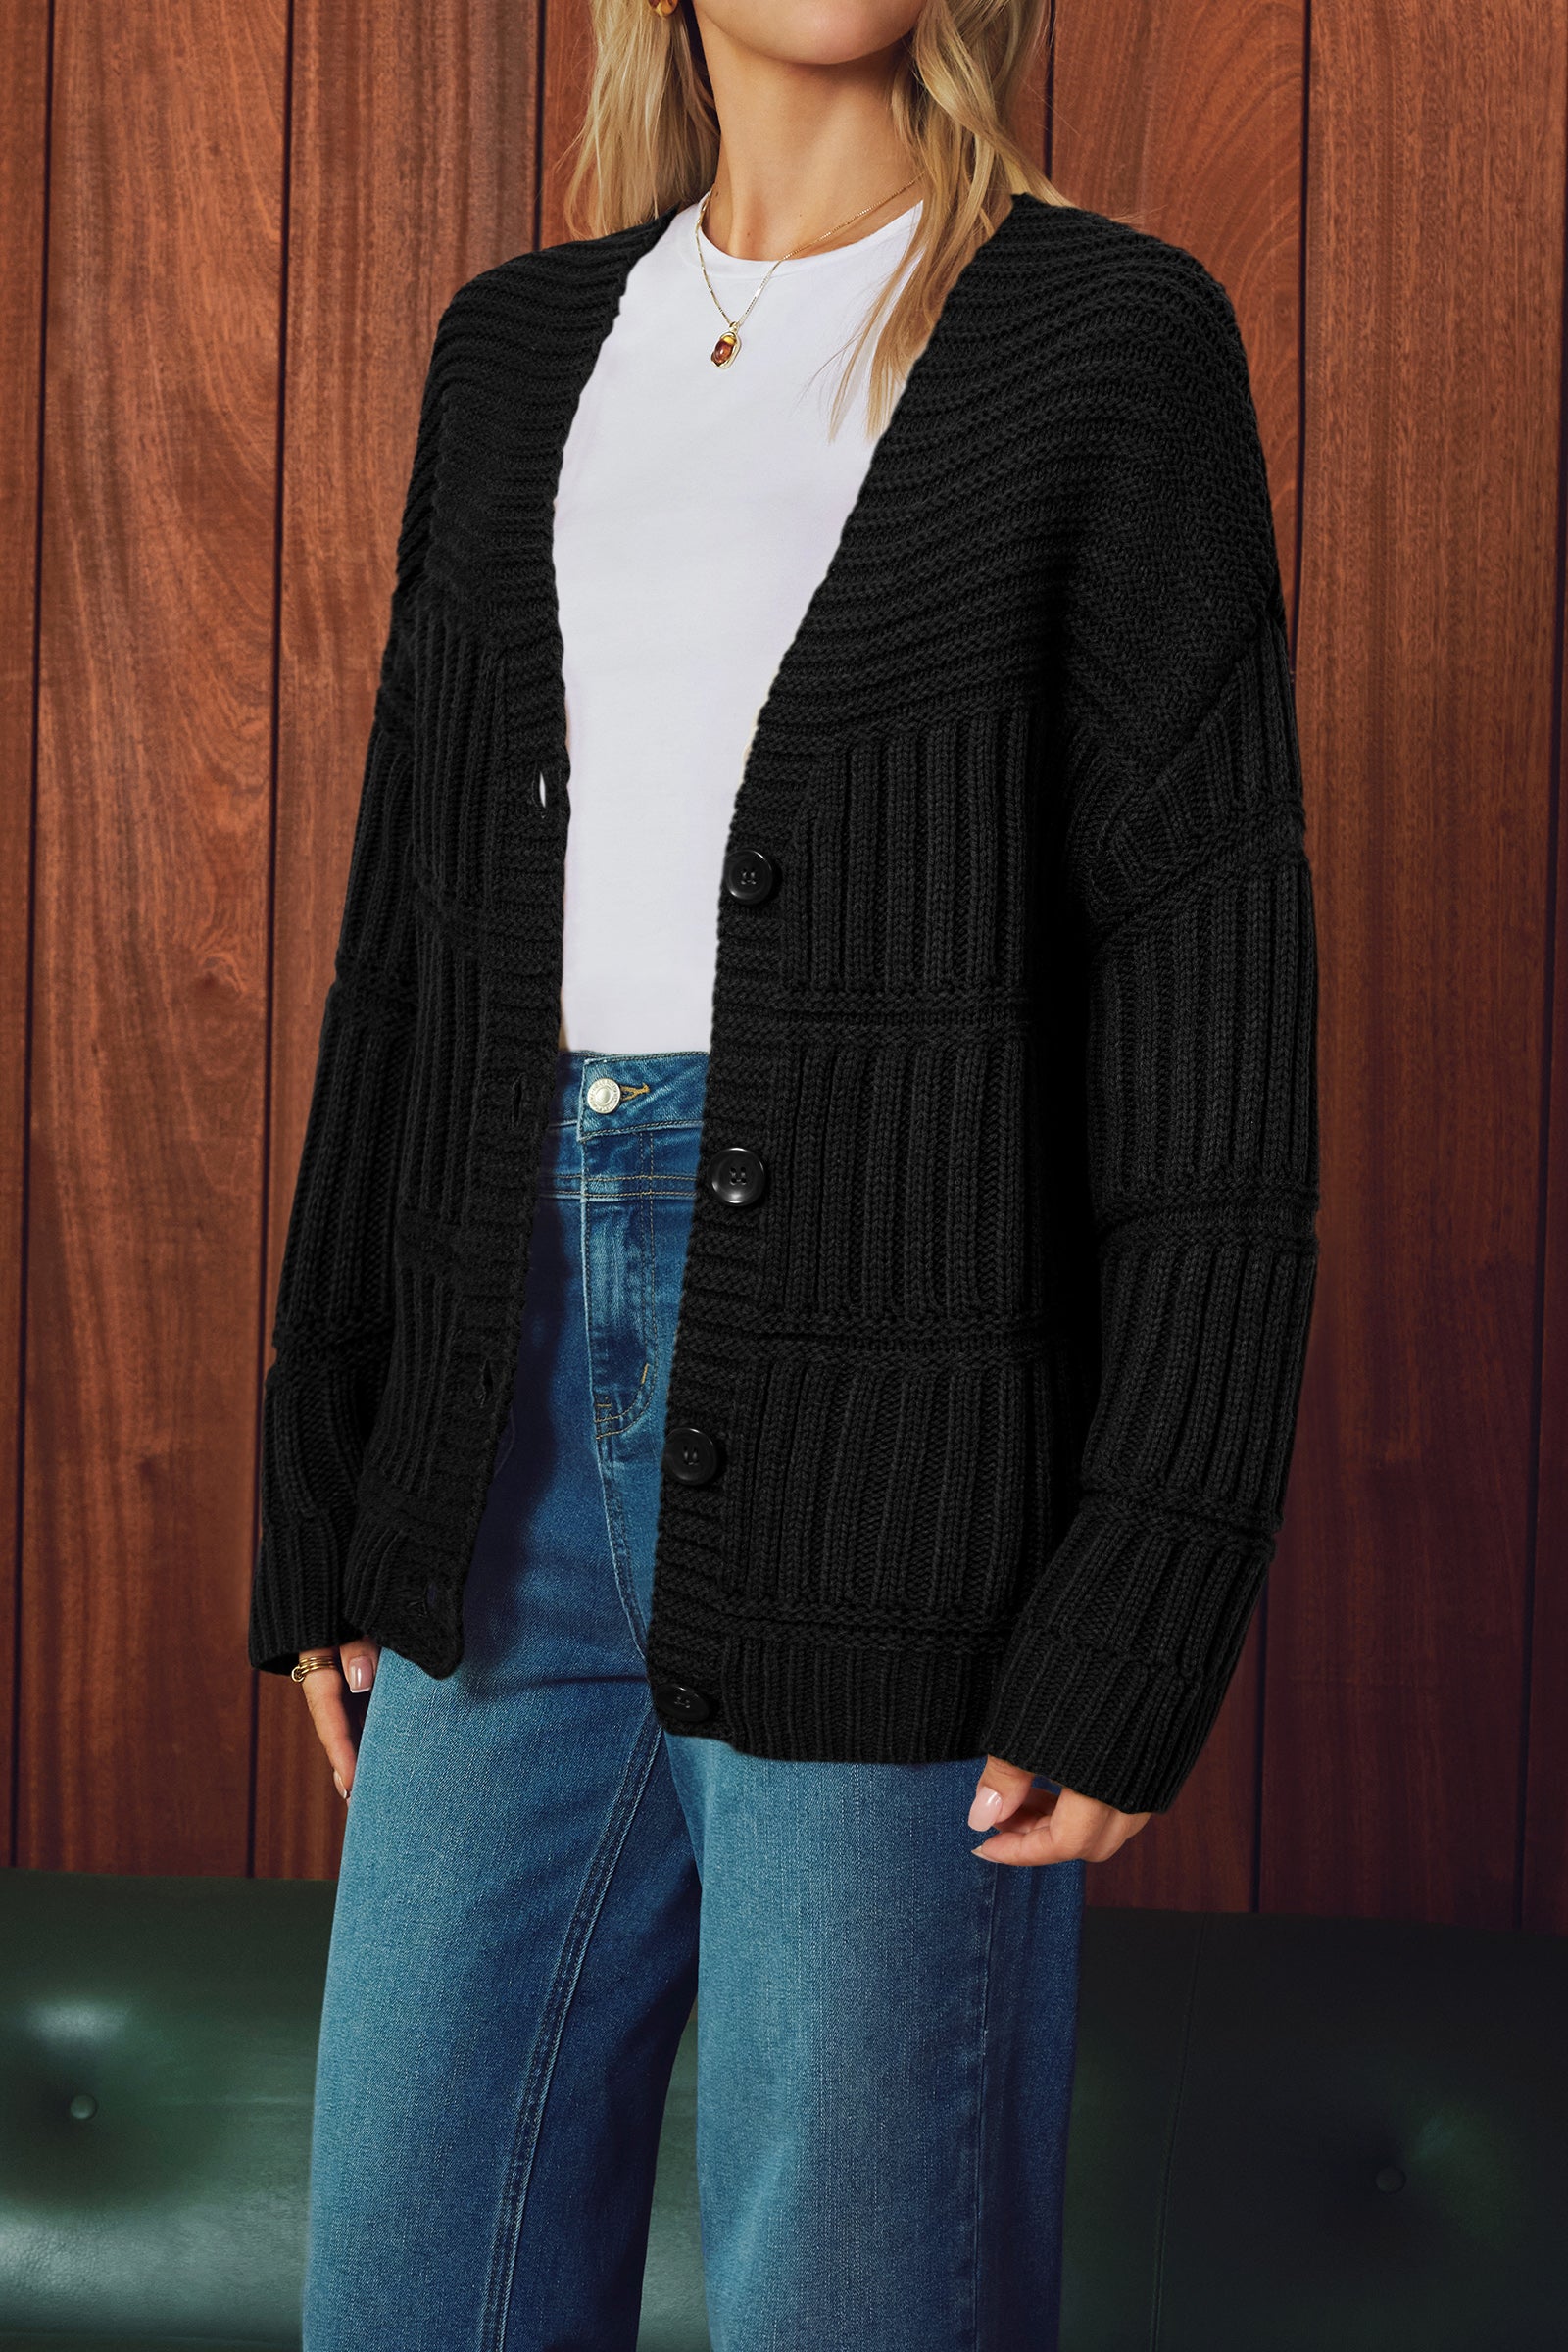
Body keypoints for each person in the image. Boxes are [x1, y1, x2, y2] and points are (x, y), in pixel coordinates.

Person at [249, 2, 1320, 2345]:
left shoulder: (1104, 341)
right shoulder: (512, 352)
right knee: (406, 2280)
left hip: (899, 1439)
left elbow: (1205, 1008)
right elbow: (405, 957)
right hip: (494, 1424)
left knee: (854, 2293)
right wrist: (326, 1460)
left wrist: (1148, 1575)